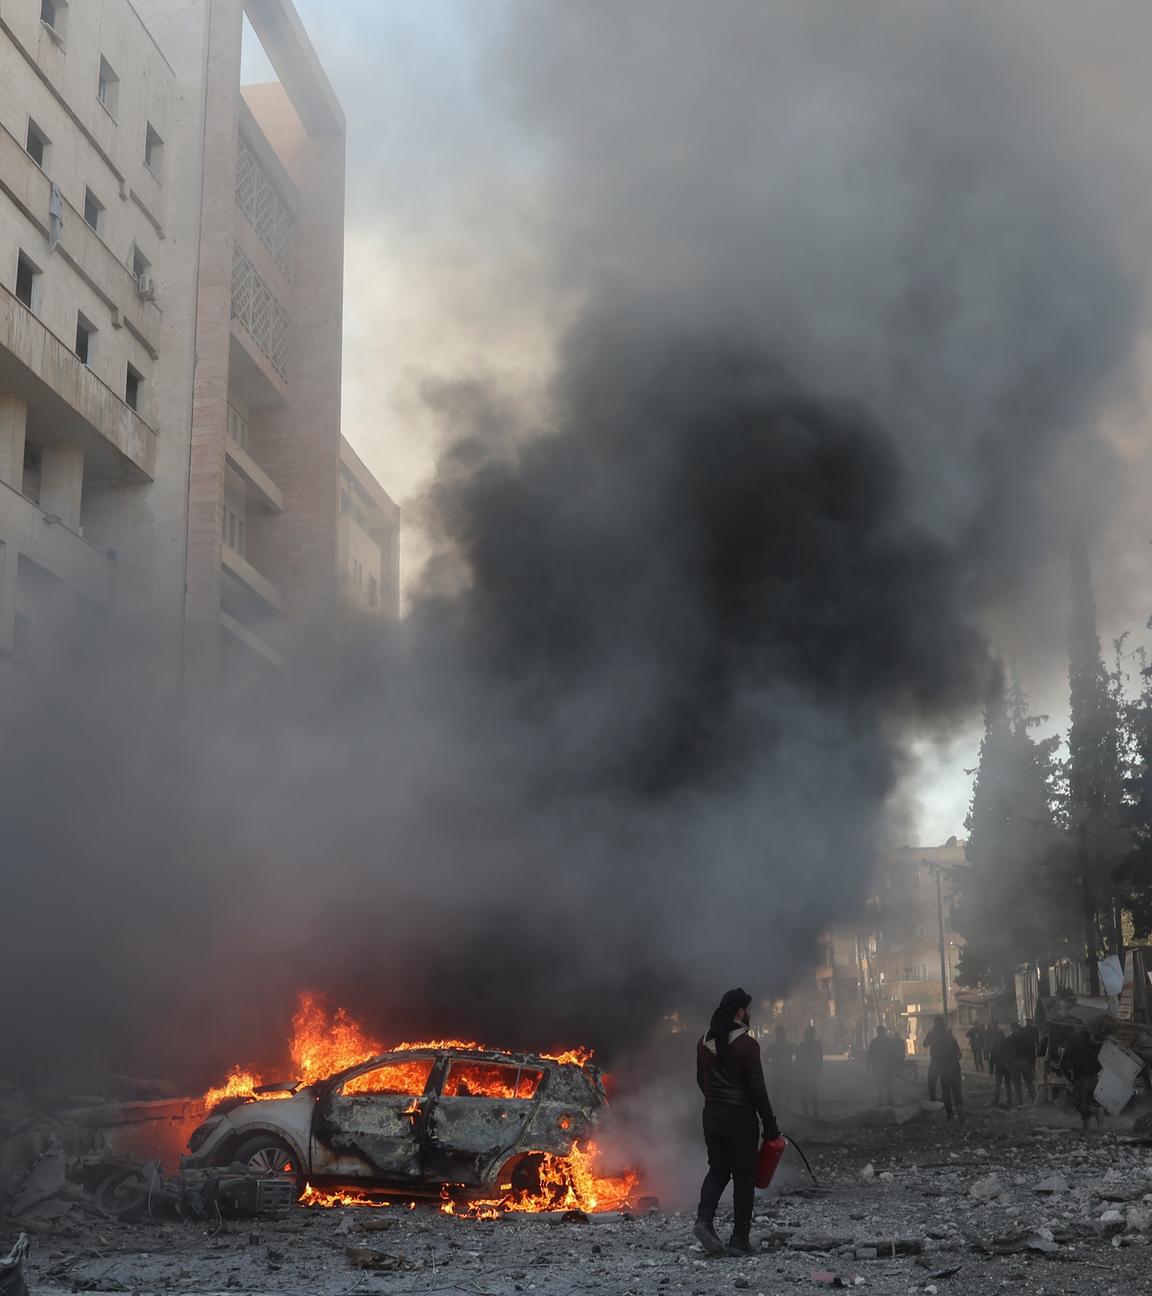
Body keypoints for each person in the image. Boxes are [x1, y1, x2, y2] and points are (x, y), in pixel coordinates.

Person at [695, 988, 780, 1258]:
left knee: (718, 1170)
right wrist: (770, 1124)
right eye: (749, 1009)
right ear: (740, 1011)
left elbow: (701, 1079)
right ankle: (739, 1239)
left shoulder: (704, 1041)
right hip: (740, 1118)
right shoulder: (747, 1044)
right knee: (744, 1178)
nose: (750, 1014)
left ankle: (704, 1221)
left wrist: (715, 1103)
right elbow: (757, 1089)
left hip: (712, 1115)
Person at [1063, 1030, 1102, 1129]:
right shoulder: (1087, 1049)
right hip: (1093, 1079)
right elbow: (1099, 1066)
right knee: (1086, 1102)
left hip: (1083, 1079)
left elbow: (1062, 1064)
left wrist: (1069, 1077)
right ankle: (1086, 1127)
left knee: (1077, 1102)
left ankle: (1095, 1111)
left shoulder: (1070, 1050)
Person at [794, 1025, 824, 1118]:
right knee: (813, 1093)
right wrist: (819, 1071)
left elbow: (798, 1060)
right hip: (813, 1072)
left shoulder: (803, 1044)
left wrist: (797, 1070)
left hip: (804, 1072)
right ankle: (815, 1112)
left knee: (804, 1093)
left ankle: (806, 1113)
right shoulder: (817, 1044)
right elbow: (820, 1059)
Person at [866, 1024, 901, 1106]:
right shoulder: (890, 1041)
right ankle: (890, 1101)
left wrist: (868, 1064)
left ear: (878, 1032)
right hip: (888, 1067)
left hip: (879, 1067)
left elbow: (870, 1054)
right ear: (884, 1032)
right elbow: (896, 1053)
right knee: (889, 1085)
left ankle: (880, 1102)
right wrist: (896, 1064)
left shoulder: (874, 1041)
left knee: (880, 1085)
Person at [764, 1025, 795, 1111]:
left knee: (777, 1094)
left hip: (777, 1072)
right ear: (784, 1034)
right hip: (788, 1072)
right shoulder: (790, 1045)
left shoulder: (772, 1046)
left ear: (776, 1034)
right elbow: (800, 1055)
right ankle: (784, 1106)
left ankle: (778, 1110)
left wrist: (773, 1063)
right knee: (790, 1091)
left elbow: (765, 1059)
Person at [937, 1027, 965, 1121]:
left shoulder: (939, 1043)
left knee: (946, 1094)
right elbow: (960, 1055)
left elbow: (936, 1057)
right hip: (955, 1071)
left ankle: (949, 1115)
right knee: (957, 1094)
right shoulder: (953, 1041)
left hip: (944, 1072)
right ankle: (960, 1114)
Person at [1006, 1023, 1036, 1107]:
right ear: (1012, 1029)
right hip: (1016, 1062)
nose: (1016, 1030)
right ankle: (1020, 1100)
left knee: (1028, 1081)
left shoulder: (1022, 1039)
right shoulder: (1010, 1040)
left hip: (1023, 1061)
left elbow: (1029, 1050)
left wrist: (1031, 1062)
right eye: (1015, 1028)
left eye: (1017, 1028)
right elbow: (1007, 1052)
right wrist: (1008, 1063)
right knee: (1017, 1083)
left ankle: (1033, 1098)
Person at [921, 1015, 950, 1103]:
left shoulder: (945, 1033)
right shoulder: (936, 1033)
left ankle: (936, 1098)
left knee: (935, 1080)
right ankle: (937, 1098)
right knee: (936, 1080)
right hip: (938, 1060)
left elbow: (925, 1044)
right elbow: (925, 1044)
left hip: (940, 1060)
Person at [986, 1025, 1009, 1107]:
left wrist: (991, 1069)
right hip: (1006, 1067)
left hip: (999, 1067)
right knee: (1008, 1084)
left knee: (998, 1084)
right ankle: (1009, 1100)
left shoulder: (995, 1045)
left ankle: (997, 1100)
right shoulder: (1007, 1043)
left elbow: (992, 1059)